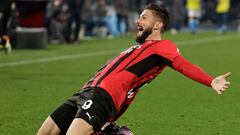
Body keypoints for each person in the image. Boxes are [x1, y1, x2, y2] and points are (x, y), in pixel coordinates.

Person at [37, 3, 231, 135]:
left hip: (103, 96)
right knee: (44, 133)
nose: (138, 21)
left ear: (157, 25)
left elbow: (181, 64)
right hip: (85, 92)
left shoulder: (163, 47)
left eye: (144, 18)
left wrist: (210, 80)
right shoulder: (138, 48)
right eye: (139, 17)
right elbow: (129, 90)